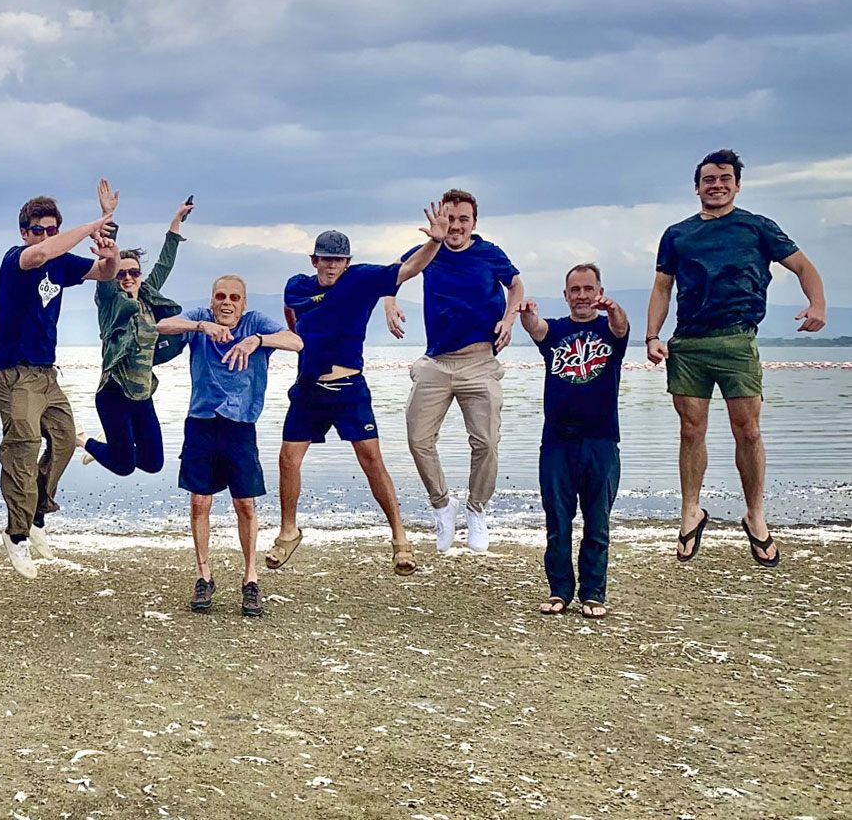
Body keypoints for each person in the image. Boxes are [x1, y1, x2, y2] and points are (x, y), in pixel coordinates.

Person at [648, 149, 826, 568]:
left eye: (725, 178)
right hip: (689, 343)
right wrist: (652, 334)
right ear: (697, 186)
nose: (717, 185)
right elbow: (662, 287)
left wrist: (816, 304)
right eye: (709, 179)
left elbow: (803, 267)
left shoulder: (757, 227)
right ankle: (691, 510)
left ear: (737, 184)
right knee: (691, 430)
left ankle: (755, 514)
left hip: (737, 340)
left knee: (747, 430)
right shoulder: (678, 234)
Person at [269, 206, 447, 578]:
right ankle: (288, 531)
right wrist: (301, 337)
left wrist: (435, 241)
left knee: (371, 461)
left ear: (347, 262)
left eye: (337, 260)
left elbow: (409, 269)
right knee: (288, 460)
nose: (330, 266)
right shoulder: (297, 285)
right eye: (324, 260)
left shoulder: (361, 280)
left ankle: (400, 538)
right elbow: (291, 312)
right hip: (309, 388)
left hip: (349, 389)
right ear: (314, 260)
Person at [382, 189, 523, 553]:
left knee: (486, 442)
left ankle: (477, 509)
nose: (455, 226)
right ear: (439, 220)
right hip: (436, 361)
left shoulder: (489, 254)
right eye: (449, 219)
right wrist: (390, 303)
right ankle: (443, 505)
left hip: (479, 360)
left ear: (474, 223)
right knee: (418, 439)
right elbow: (393, 275)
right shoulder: (431, 250)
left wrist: (509, 320)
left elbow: (516, 284)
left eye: (463, 219)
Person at [0, 182, 117, 578]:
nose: (44, 236)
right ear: (24, 232)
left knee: (63, 441)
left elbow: (103, 273)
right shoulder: (18, 258)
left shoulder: (62, 264)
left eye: (51, 229)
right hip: (13, 370)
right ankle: (17, 534)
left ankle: (38, 515)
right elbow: (41, 253)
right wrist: (98, 221)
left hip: (46, 372)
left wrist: (109, 254)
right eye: (37, 229)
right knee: (22, 447)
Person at [157, 276, 302, 617]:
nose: (227, 302)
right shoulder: (201, 320)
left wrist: (257, 341)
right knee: (199, 502)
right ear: (211, 300)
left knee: (245, 505)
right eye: (220, 296)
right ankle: (203, 575)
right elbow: (162, 326)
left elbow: (296, 342)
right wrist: (200, 326)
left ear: (243, 303)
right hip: (201, 421)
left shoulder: (255, 324)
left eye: (234, 298)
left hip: (240, 425)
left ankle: (250, 579)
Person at [520, 265, 629, 618]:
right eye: (575, 289)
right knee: (558, 522)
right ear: (566, 295)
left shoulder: (609, 330)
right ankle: (559, 592)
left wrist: (612, 309)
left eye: (588, 289)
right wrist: (528, 314)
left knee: (597, 523)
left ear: (599, 291)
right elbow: (536, 329)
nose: (582, 295)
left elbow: (621, 327)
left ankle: (594, 593)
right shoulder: (557, 331)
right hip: (556, 443)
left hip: (601, 441)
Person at [75, 191, 193, 478]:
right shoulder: (110, 302)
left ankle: (113, 448)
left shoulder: (149, 297)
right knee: (124, 466)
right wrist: (108, 218)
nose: (128, 277)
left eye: (134, 273)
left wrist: (176, 221)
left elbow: (165, 262)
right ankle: (83, 440)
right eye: (122, 273)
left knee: (153, 464)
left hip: (142, 393)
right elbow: (106, 268)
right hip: (113, 392)